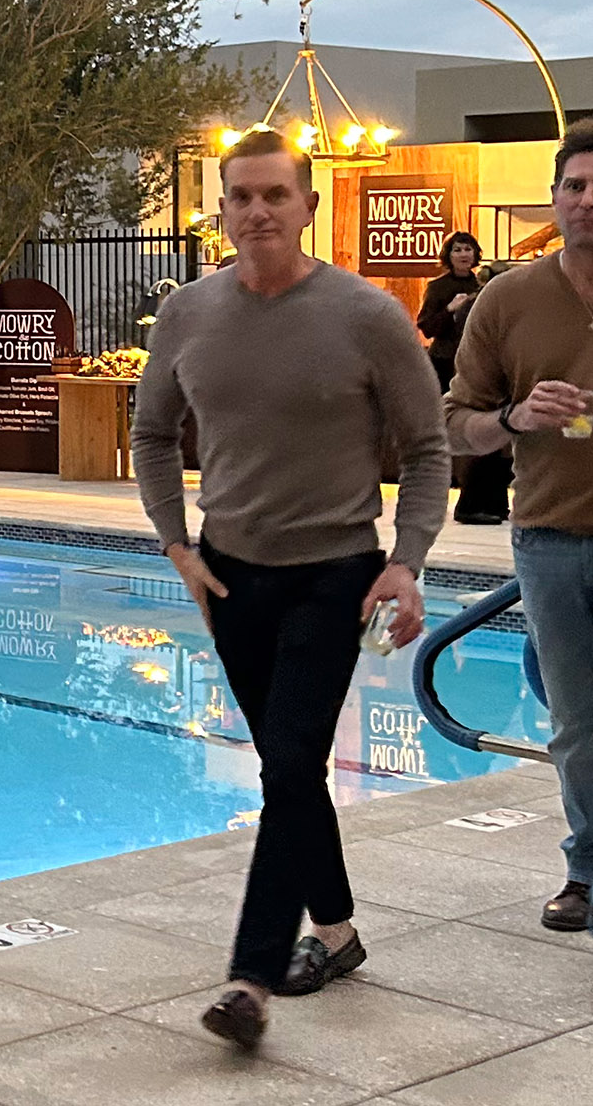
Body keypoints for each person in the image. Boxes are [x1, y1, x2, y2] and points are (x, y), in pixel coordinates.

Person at [131, 128, 447, 1049]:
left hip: (334, 574)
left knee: (290, 760)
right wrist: (177, 545)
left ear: (308, 205)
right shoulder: (188, 313)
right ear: (221, 208)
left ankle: (250, 979)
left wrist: (406, 559)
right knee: (289, 764)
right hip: (231, 576)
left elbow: (428, 448)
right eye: (241, 195)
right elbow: (152, 434)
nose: (258, 210)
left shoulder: (367, 315)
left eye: (276, 194)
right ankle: (336, 932)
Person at [444, 119, 593, 940]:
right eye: (576, 186)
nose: (588, 201)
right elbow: (455, 423)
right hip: (550, 537)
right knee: (575, 719)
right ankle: (586, 870)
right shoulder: (507, 301)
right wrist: (516, 417)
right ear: (554, 198)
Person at [420, 231, 511, 524]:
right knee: (453, 431)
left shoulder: (481, 288)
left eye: (468, 249)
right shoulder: (438, 287)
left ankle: (490, 501)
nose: (463, 254)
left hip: (479, 365)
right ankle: (461, 498)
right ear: (449, 255)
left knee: (490, 433)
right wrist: (450, 309)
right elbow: (427, 327)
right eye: (458, 250)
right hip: (446, 364)